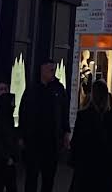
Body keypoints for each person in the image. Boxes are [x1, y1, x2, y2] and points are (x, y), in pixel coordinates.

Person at [20, 60, 70, 192]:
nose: (53, 73)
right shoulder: (33, 89)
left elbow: (64, 111)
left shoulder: (58, 89)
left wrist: (66, 131)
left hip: (51, 140)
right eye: (50, 70)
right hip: (34, 140)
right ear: (42, 70)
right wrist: (22, 135)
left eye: (54, 70)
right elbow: (24, 112)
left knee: (48, 177)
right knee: (32, 176)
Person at [70, 80, 112, 192]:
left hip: (86, 169)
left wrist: (74, 161)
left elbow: (76, 142)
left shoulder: (83, 116)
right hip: (105, 170)